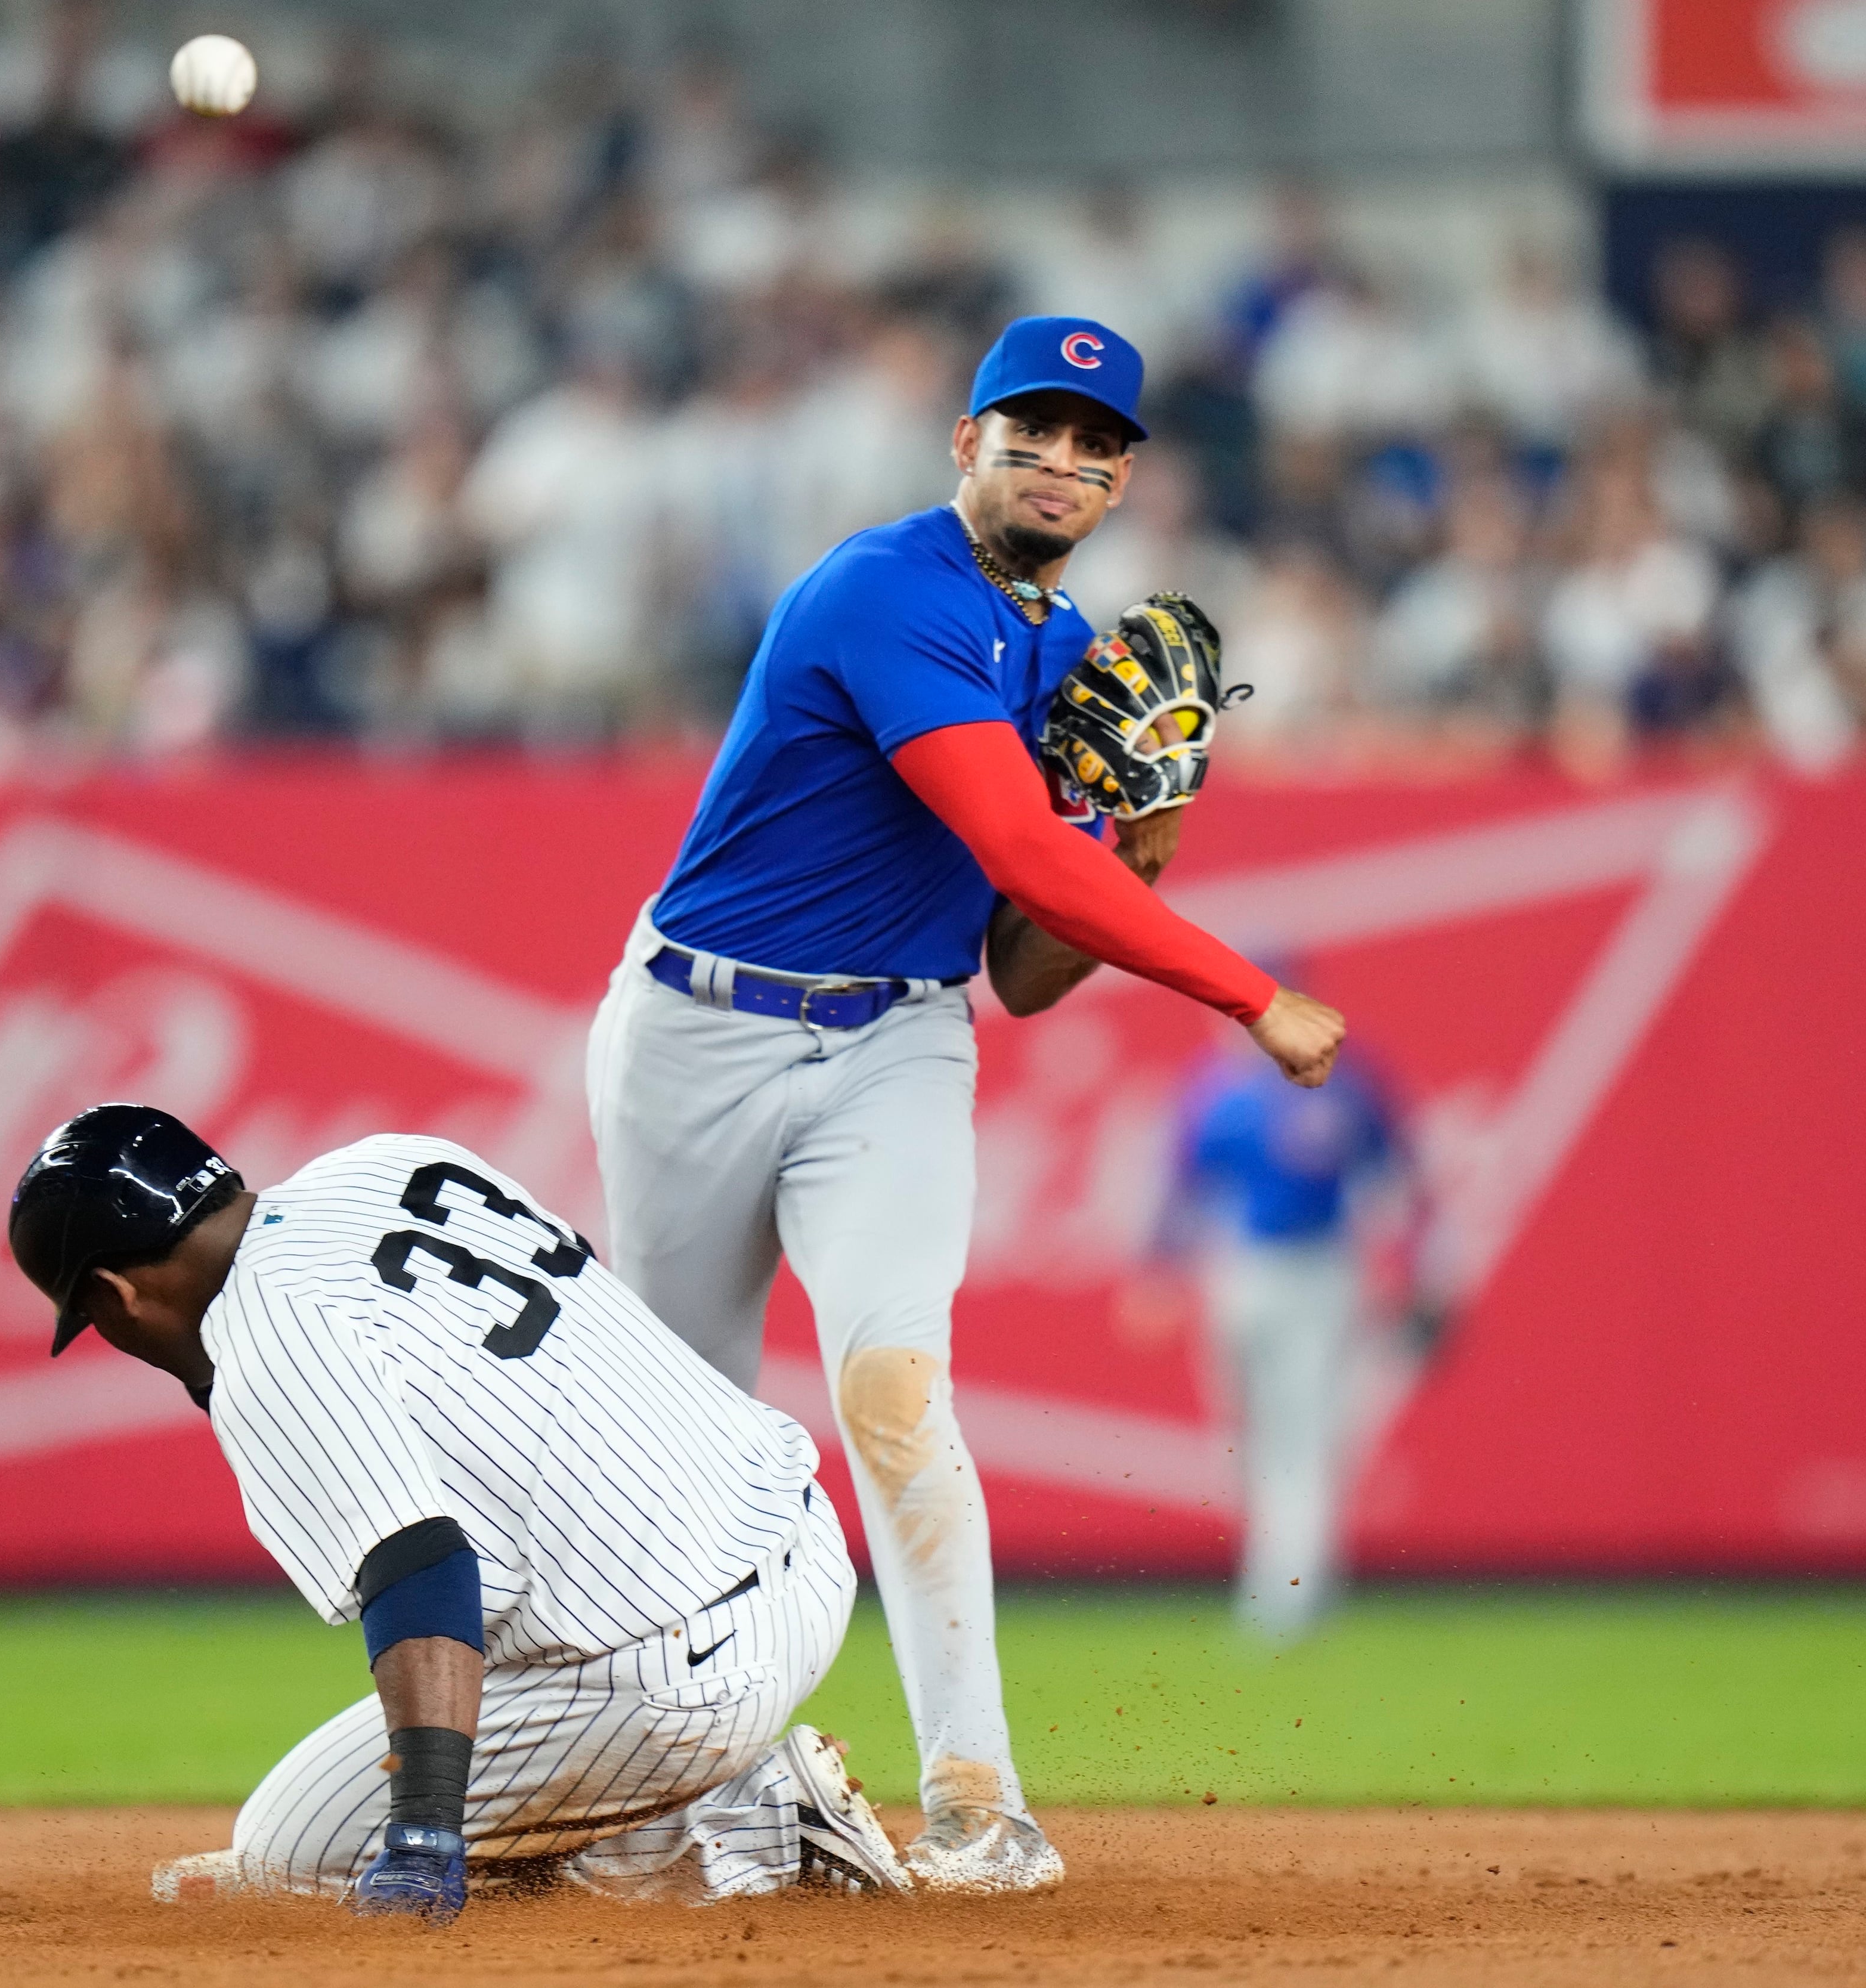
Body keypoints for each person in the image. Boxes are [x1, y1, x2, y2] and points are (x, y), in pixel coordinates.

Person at [585, 314, 1346, 1893]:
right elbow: (1017, 850)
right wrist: (1246, 990)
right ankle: (688, 1789)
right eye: (1033, 428)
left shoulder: (1071, 661)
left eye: (1094, 441)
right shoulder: (885, 591)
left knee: (893, 1389)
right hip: (694, 1036)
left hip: (897, 1047)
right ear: (966, 441)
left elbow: (1025, 965)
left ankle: (981, 1802)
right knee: (678, 1443)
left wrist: (1143, 839)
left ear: (1125, 477)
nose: (1061, 460)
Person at [10, 1104, 911, 1918]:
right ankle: (704, 1797)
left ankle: (744, 1823)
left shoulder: (265, 1339)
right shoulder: (387, 1164)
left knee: (287, 1849)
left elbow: (422, 1565)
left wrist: (425, 1830)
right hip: (803, 1542)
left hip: (682, 1683)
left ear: (115, 1295)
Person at [1138, 1043, 1423, 1642]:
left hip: (1283, 1274)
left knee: (1287, 1441)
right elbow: (1399, 1183)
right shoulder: (1337, 1085)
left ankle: (1287, 1593)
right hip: (1277, 1271)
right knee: (1269, 1440)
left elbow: (1180, 1190)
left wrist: (1157, 1270)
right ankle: (1291, 1582)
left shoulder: (1225, 1089)